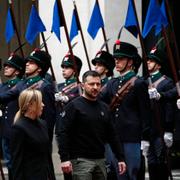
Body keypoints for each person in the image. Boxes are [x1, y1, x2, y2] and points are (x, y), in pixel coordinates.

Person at [56, 70, 126, 180]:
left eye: (98, 84)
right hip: (80, 160)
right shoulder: (73, 106)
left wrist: (120, 158)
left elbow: (112, 135)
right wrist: (64, 158)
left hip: (100, 160)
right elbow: (62, 132)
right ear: (83, 85)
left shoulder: (104, 108)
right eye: (91, 84)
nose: (95, 87)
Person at [100, 41, 151, 180]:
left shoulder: (139, 83)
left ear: (130, 62)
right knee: (115, 174)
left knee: (130, 174)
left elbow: (145, 112)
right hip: (114, 136)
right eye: (116, 59)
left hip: (131, 137)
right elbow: (99, 102)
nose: (116, 62)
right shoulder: (112, 83)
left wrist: (145, 138)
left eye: (120, 59)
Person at [0, 49, 56, 143]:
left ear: (40, 68)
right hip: (22, 131)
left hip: (36, 134)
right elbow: (5, 96)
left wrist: (46, 141)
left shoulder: (45, 86)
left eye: (31, 62)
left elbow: (49, 118)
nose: (26, 64)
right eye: (27, 62)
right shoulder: (22, 84)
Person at [11, 89, 56, 180]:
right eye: (40, 102)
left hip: (46, 174)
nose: (43, 105)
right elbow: (17, 161)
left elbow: (47, 155)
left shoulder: (43, 124)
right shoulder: (19, 127)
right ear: (30, 105)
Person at [145, 47, 175, 180]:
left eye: (151, 61)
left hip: (160, 128)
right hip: (148, 128)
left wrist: (168, 129)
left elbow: (169, 107)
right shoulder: (144, 81)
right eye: (148, 60)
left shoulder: (166, 81)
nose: (148, 63)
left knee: (160, 160)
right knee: (151, 162)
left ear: (158, 64)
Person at [92, 51, 118, 180]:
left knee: (110, 165)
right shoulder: (94, 85)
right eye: (95, 64)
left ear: (107, 68)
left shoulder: (111, 84)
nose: (95, 67)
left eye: (99, 64)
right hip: (94, 129)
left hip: (107, 129)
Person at [0, 54, 25, 179]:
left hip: (17, 130)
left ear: (17, 70)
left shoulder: (21, 85)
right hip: (5, 131)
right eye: (5, 66)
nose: (5, 68)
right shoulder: (3, 86)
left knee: (18, 165)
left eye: (9, 66)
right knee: (9, 163)